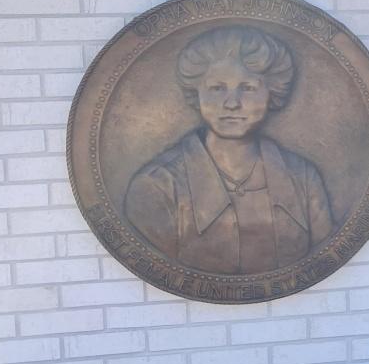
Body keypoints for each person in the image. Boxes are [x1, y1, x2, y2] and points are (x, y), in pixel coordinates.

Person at [124, 26, 335, 275]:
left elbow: (323, 258)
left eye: (247, 88)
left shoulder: (304, 178)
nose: (232, 103)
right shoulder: (157, 187)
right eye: (217, 88)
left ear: (272, 93)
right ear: (197, 93)